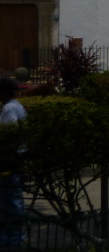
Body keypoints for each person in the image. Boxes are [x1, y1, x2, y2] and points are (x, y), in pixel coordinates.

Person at [0, 77, 26, 249]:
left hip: (9, 162)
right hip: (17, 160)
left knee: (9, 204)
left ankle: (12, 243)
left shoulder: (9, 108)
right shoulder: (17, 105)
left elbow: (10, 135)